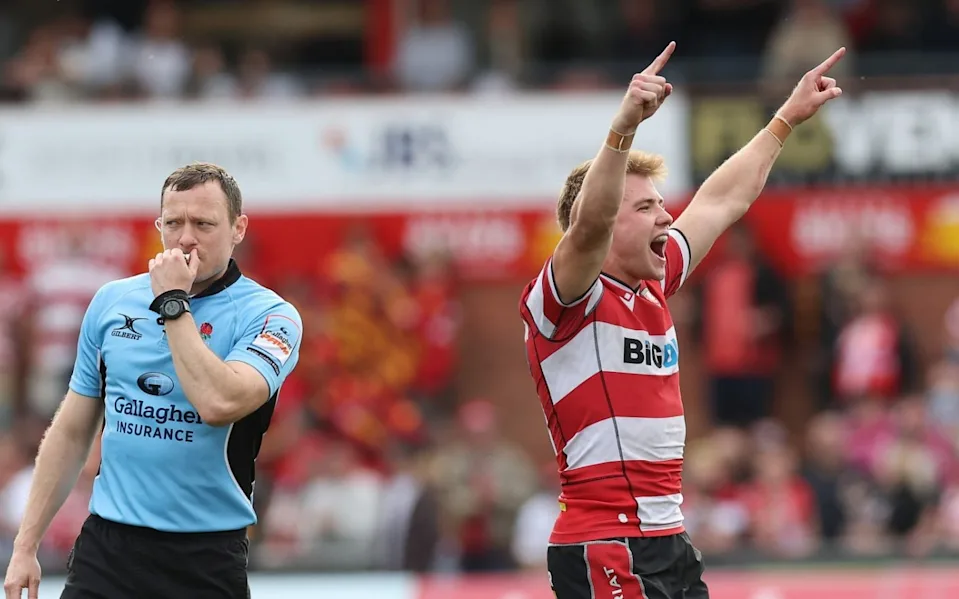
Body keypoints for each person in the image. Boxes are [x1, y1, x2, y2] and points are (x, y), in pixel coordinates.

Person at [518, 42, 845, 599]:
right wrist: (624, 128)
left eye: (660, 204)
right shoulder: (564, 302)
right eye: (645, 207)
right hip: (606, 543)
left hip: (668, 538)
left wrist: (785, 120)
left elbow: (720, 200)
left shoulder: (654, 281)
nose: (666, 216)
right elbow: (590, 226)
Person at [3, 162, 303, 599]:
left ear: (238, 228)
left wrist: (173, 304)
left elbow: (220, 404)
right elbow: (71, 430)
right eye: (174, 223)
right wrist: (25, 545)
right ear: (159, 226)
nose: (186, 238)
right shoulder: (112, 302)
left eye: (203, 224)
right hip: (108, 550)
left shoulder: (270, 316)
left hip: (205, 557)